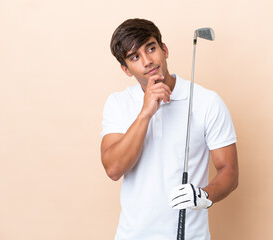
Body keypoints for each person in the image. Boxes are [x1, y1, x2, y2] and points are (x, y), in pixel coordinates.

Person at [100, 18, 238, 240]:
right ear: (126, 69)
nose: (147, 61)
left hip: (190, 236)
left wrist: (205, 195)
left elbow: (229, 170)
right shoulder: (118, 103)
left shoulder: (207, 101)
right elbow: (113, 169)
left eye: (151, 48)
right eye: (135, 57)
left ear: (164, 49)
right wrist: (145, 113)